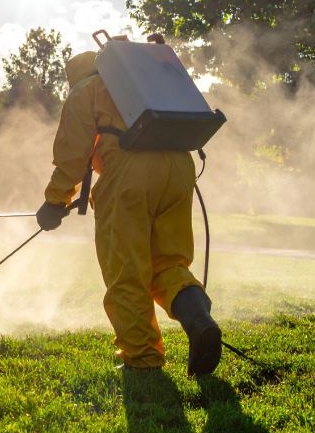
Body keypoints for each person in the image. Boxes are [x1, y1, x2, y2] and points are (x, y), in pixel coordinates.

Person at [36, 50, 223, 374]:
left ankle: (142, 358)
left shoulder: (86, 89)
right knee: (168, 261)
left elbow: (72, 155)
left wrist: (54, 201)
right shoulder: (139, 83)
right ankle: (199, 320)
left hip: (129, 173)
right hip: (179, 168)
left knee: (126, 270)